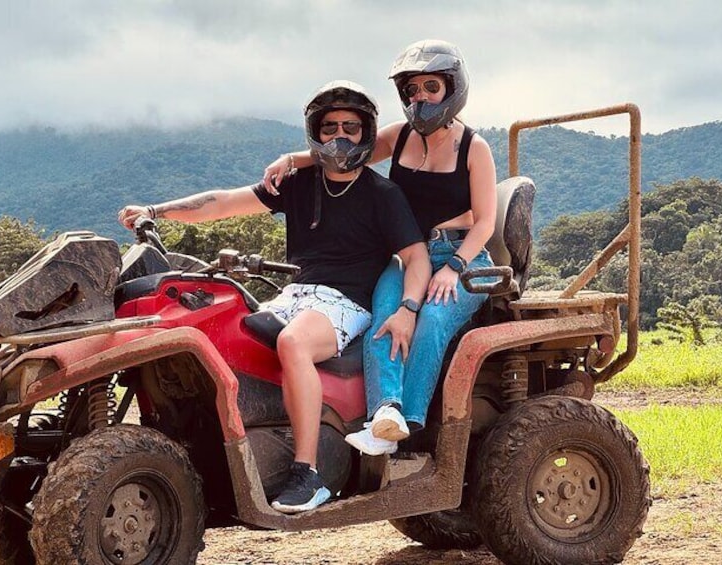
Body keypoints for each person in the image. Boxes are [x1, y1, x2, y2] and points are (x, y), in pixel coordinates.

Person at [119, 80, 430, 513]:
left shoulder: (382, 194)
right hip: (294, 295)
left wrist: (408, 309)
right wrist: (155, 210)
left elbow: (416, 257)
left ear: (366, 133)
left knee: (292, 342)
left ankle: (309, 474)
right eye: (330, 127)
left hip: (345, 303)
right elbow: (224, 203)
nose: (339, 136)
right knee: (226, 335)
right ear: (315, 132)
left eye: (351, 127)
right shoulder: (299, 182)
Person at [262, 39, 497, 456]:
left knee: (432, 322)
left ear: (451, 87)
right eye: (412, 90)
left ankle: (410, 421)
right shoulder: (400, 135)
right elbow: (344, 154)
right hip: (410, 254)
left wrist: (454, 267)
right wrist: (293, 159)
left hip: (460, 255)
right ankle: (383, 416)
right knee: (383, 319)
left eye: (430, 87)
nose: (420, 97)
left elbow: (485, 222)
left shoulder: (473, 148)